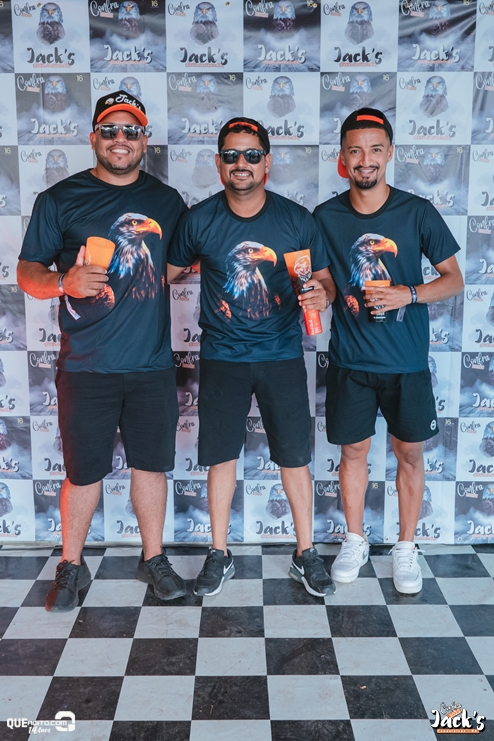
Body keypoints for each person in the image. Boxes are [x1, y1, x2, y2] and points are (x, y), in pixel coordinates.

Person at [17, 91, 188, 612]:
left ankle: (153, 558)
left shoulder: (167, 201)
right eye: (110, 129)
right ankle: (71, 564)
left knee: (151, 467)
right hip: (86, 365)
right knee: (82, 472)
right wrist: (62, 282)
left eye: (131, 130)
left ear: (144, 141)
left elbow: (185, 259)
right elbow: (27, 272)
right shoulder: (60, 198)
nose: (120, 139)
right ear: (94, 137)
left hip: (151, 363)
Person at [168, 117, 335, 598]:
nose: (241, 163)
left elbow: (324, 281)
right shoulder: (199, 220)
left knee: (294, 457)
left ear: (267, 162)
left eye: (252, 154)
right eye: (231, 155)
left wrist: (321, 295)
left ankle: (306, 554)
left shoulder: (296, 220)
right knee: (221, 457)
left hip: (282, 355)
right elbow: (165, 275)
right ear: (219, 163)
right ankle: (219, 553)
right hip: (222, 356)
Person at [313, 108, 463, 594]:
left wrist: (408, 294)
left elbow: (454, 280)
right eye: (355, 150)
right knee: (353, 452)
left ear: (390, 153)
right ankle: (354, 539)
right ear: (342, 157)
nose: (366, 159)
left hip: (407, 363)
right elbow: (328, 285)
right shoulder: (325, 217)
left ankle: (406, 546)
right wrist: (320, 295)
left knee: (409, 454)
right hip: (350, 361)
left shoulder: (417, 211)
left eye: (375, 149)